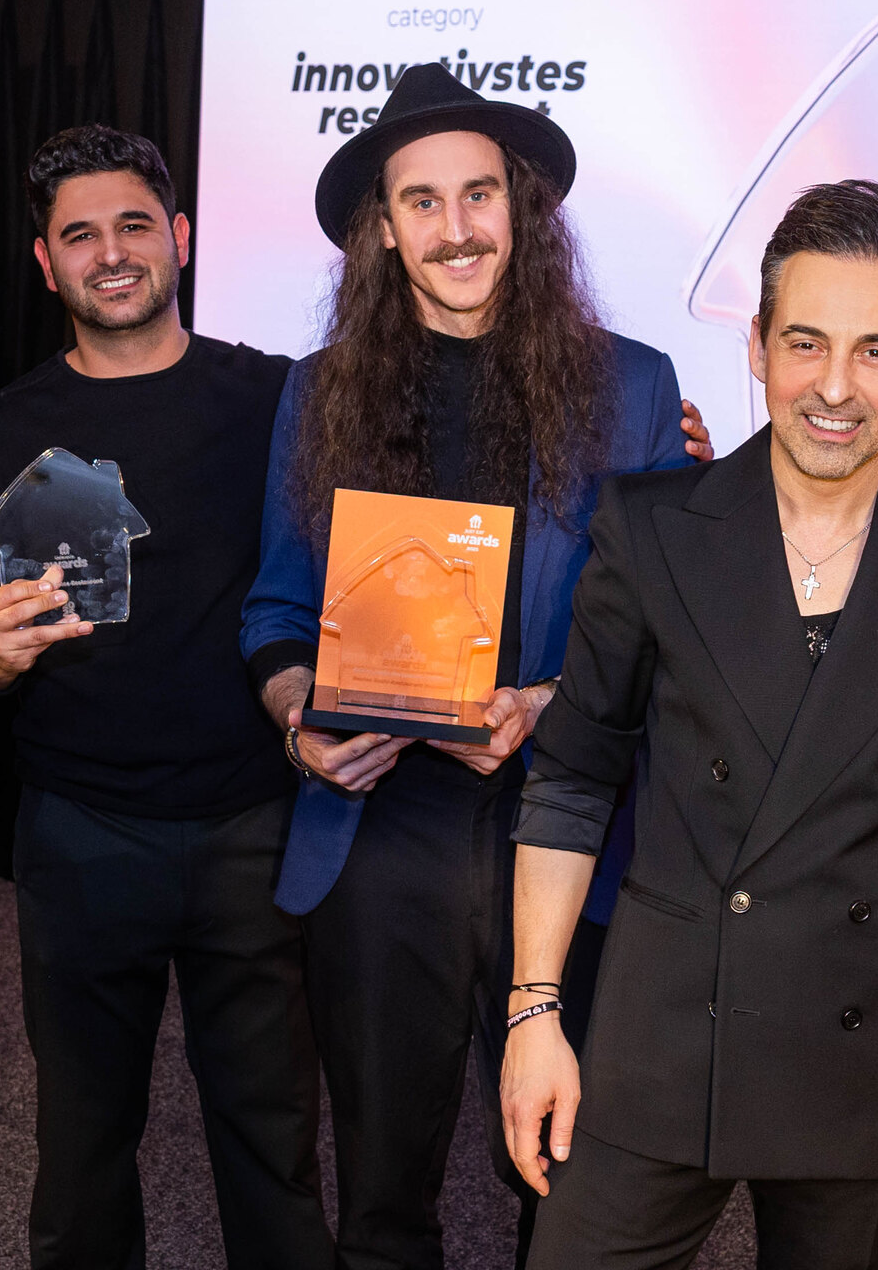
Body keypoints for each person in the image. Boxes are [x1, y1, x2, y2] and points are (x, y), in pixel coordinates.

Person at [499, 180, 878, 1270]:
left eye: (876, 351)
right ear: (758, 346)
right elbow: (573, 782)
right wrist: (534, 1012)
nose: (834, 387)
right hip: (665, 1026)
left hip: (868, 1046)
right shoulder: (651, 527)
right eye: (806, 343)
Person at [241, 62, 712, 1270]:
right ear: (383, 231)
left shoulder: (633, 386)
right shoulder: (320, 392)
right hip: (378, 829)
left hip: (564, 825)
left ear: (523, 209)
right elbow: (279, 604)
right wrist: (299, 718)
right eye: (422, 202)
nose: (456, 229)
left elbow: (668, 622)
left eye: (479, 194)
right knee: (382, 1184)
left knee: (567, 1175)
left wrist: (546, 702)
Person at [0, 125, 332, 1270]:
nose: (111, 254)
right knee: (82, 1147)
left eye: (134, 225)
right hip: (81, 835)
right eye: (80, 235)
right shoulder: (4, 430)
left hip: (256, 826)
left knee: (273, 1142)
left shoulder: (279, 399)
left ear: (180, 238)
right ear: (44, 262)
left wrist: (641, 456)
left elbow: (420, 497)